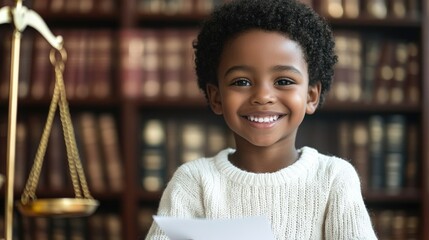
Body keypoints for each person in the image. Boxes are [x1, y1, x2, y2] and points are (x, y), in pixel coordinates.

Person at [145, 0, 377, 239]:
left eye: (284, 81)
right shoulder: (194, 181)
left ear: (311, 96)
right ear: (216, 98)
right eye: (241, 82)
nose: (263, 96)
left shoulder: (334, 178)